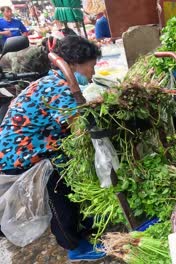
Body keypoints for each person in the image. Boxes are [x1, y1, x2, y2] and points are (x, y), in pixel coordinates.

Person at [0, 35, 105, 262]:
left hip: (40, 146)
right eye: (91, 66)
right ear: (76, 63)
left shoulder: (54, 81)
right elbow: (79, 131)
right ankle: (74, 247)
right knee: (59, 194)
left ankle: (84, 224)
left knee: (68, 184)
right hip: (25, 155)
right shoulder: (58, 88)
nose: (92, 73)